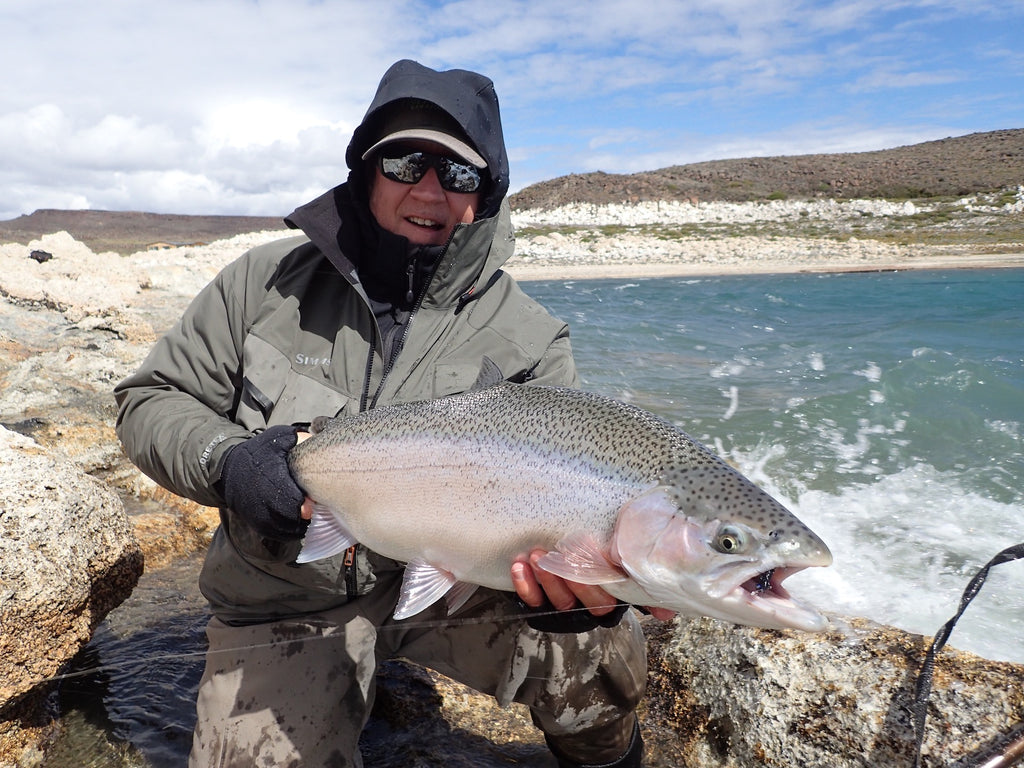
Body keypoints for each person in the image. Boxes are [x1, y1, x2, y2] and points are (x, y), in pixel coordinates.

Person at [115, 59, 659, 768]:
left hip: (462, 589)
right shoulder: (261, 284)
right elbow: (149, 401)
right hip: (286, 596)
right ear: (368, 168)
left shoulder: (531, 336)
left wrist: (577, 586)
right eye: (406, 161)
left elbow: (575, 483)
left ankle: (611, 759)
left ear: (485, 194)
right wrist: (229, 462)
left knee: (600, 645)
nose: (429, 189)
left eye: (459, 174)